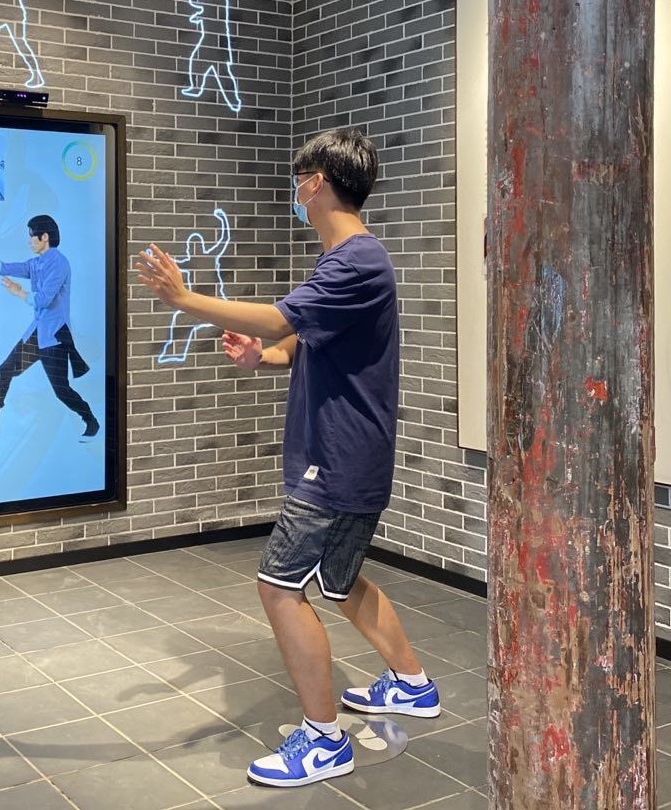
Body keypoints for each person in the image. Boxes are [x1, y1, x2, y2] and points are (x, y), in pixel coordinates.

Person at [135, 128, 439, 789]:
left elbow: (279, 319)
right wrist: (264, 357)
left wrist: (183, 300)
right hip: (346, 454)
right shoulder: (343, 261)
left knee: (279, 588)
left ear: (317, 183)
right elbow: (301, 340)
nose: (296, 192)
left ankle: (324, 741)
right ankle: (412, 684)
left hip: (337, 460)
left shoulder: (356, 260)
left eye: (299, 180)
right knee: (340, 580)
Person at [0, 215, 98, 448]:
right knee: (3, 372)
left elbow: (43, 300)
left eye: (32, 236)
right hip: (36, 335)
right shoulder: (35, 263)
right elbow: (4, 267)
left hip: (55, 338)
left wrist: (18, 292)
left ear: (45, 237)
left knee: (61, 391)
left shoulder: (59, 263)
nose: (29, 240)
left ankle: (91, 421)